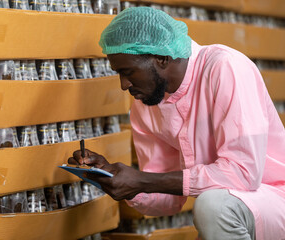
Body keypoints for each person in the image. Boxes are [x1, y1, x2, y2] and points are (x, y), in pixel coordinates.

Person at [68, 7, 285, 240]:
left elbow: (242, 174)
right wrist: (116, 179)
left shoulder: (225, 67)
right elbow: (167, 201)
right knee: (213, 207)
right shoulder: (145, 105)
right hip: (230, 210)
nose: (123, 85)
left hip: (274, 199)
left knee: (213, 207)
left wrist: (142, 180)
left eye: (128, 71)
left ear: (161, 58)